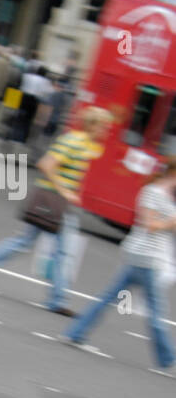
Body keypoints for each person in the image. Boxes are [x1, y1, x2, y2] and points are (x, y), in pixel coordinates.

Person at [0, 106, 115, 315]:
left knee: (31, 243)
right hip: (54, 201)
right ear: (92, 125)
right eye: (104, 127)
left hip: (58, 203)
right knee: (55, 250)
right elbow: (46, 164)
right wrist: (65, 191)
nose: (107, 131)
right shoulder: (74, 141)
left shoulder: (84, 143)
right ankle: (57, 299)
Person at [62, 158, 176, 369]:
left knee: (107, 298)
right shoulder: (153, 192)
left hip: (141, 256)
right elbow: (150, 225)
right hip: (147, 257)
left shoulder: (167, 196)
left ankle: (76, 332)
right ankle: (168, 357)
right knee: (157, 310)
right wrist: (172, 221)